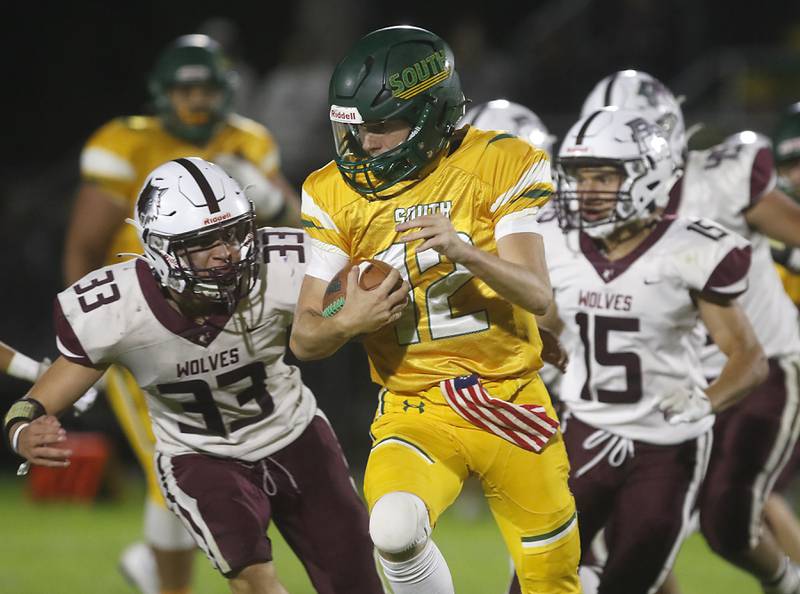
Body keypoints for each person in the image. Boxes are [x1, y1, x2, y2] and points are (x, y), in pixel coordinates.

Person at [6, 158, 384, 594]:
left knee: (356, 579)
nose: (226, 252)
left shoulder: (281, 265)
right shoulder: (115, 307)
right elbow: (39, 399)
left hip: (295, 433)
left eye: (233, 233)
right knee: (254, 579)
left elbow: (359, 289)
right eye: (205, 242)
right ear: (161, 250)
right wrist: (21, 429)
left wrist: (354, 309)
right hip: (200, 457)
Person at [290, 25, 580, 594]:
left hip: (510, 399)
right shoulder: (331, 193)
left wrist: (464, 251)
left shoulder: (500, 162)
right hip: (416, 405)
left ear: (432, 115)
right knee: (394, 528)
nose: (364, 146)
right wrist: (348, 321)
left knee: (551, 579)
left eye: (380, 128)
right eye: (355, 129)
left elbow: (539, 295)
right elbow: (304, 337)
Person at [62, 34, 300, 594]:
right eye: (185, 88)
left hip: (227, 325)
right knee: (174, 463)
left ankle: (156, 568)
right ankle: (170, 582)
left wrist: (266, 195)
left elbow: (292, 223)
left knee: (220, 458)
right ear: (162, 94)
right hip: (143, 325)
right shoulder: (124, 143)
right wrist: (86, 337)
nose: (196, 100)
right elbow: (85, 244)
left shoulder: (249, 140)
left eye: (206, 88)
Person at [513, 106, 766, 594]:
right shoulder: (555, 239)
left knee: (632, 582)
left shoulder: (689, 246)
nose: (586, 191)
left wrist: (706, 401)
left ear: (648, 178)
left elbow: (749, 359)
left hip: (665, 446)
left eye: (603, 177)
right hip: (583, 431)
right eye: (579, 177)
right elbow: (540, 322)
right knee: (534, 579)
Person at [581, 70, 800, 594]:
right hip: (670, 383)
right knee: (633, 526)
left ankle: (787, 584)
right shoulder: (592, 213)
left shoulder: (717, 181)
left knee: (728, 518)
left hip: (759, 365)